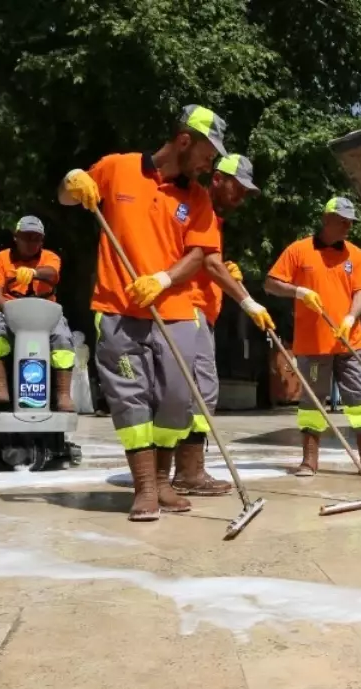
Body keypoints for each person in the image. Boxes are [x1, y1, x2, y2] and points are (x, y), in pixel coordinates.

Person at [59, 103, 227, 522]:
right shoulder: (118, 168)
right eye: (208, 153)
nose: (210, 164)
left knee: (177, 399)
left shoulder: (197, 197)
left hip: (175, 310)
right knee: (130, 401)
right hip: (118, 310)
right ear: (184, 140)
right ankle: (147, 487)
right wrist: (71, 181)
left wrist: (164, 280)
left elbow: (200, 252)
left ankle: (165, 479)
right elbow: (67, 195)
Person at [264, 197, 361, 479]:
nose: (348, 227)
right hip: (313, 345)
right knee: (312, 401)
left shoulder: (355, 255)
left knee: (360, 399)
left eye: (351, 222)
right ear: (326, 219)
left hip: (351, 342)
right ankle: (309, 460)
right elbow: (271, 283)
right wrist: (299, 292)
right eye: (343, 221)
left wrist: (350, 318)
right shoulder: (299, 250)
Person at [171, 152, 275, 495]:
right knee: (199, 390)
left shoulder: (210, 217)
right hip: (189, 309)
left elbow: (201, 260)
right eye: (238, 188)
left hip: (199, 310)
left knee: (197, 392)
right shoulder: (193, 206)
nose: (242, 197)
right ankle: (188, 474)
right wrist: (246, 300)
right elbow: (198, 260)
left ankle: (188, 471)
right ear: (217, 179)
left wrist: (219, 268)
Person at [0, 215, 76, 411]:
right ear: (16, 237)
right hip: (8, 309)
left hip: (45, 312)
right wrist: (9, 312)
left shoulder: (50, 257)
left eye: (36, 238)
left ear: (42, 240)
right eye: (26, 237)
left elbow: (53, 274)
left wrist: (34, 273)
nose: (31, 242)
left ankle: (63, 394)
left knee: (64, 337)